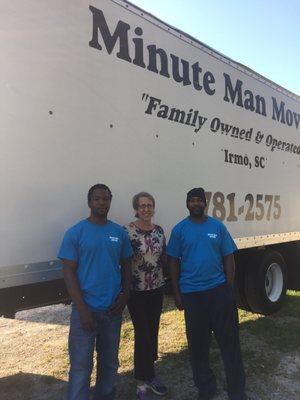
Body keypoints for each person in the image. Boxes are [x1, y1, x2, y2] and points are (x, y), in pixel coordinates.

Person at [167, 188, 247, 400]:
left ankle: (237, 392)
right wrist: (177, 292)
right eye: (191, 200)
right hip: (192, 296)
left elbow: (229, 256)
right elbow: (173, 261)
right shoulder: (179, 230)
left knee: (230, 345)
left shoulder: (217, 227)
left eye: (199, 200)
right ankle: (206, 388)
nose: (196, 204)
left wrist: (228, 289)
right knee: (198, 346)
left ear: (205, 203)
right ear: (187, 204)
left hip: (219, 293)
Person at [58, 183, 133, 400]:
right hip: (85, 312)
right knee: (81, 367)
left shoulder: (118, 233)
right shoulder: (75, 233)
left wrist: (125, 295)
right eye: (97, 199)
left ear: (110, 201)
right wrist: (82, 310)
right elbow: (69, 273)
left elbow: (127, 265)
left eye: (106, 199)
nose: (102, 202)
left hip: (112, 311)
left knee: (110, 362)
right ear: (89, 202)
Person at [124, 192, 167, 400]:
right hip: (136, 291)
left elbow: (163, 258)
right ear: (136, 208)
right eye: (142, 206)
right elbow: (123, 261)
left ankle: (151, 374)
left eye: (149, 205)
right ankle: (141, 381)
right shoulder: (128, 231)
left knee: (153, 330)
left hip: (156, 289)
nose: (146, 209)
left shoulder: (159, 231)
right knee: (142, 333)